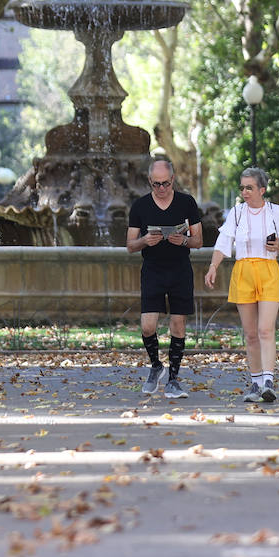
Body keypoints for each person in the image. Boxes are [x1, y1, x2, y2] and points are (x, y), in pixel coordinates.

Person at [203, 166, 279, 402]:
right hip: (243, 271)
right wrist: (213, 267)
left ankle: (268, 381)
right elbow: (223, 242)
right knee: (250, 333)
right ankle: (255, 384)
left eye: (249, 187)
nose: (245, 192)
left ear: (262, 190)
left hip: (268, 270)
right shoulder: (236, 213)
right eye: (242, 187)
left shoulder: (276, 212)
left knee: (266, 329)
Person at [125, 159, 204, 399]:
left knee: (178, 325)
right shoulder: (140, 206)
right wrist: (144, 241)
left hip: (180, 269)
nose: (161, 189)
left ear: (173, 179)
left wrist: (185, 240)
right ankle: (156, 366)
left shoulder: (186, 202)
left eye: (166, 184)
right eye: (156, 184)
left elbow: (199, 241)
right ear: (150, 181)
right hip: (152, 270)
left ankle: (173, 380)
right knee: (147, 326)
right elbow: (130, 245)